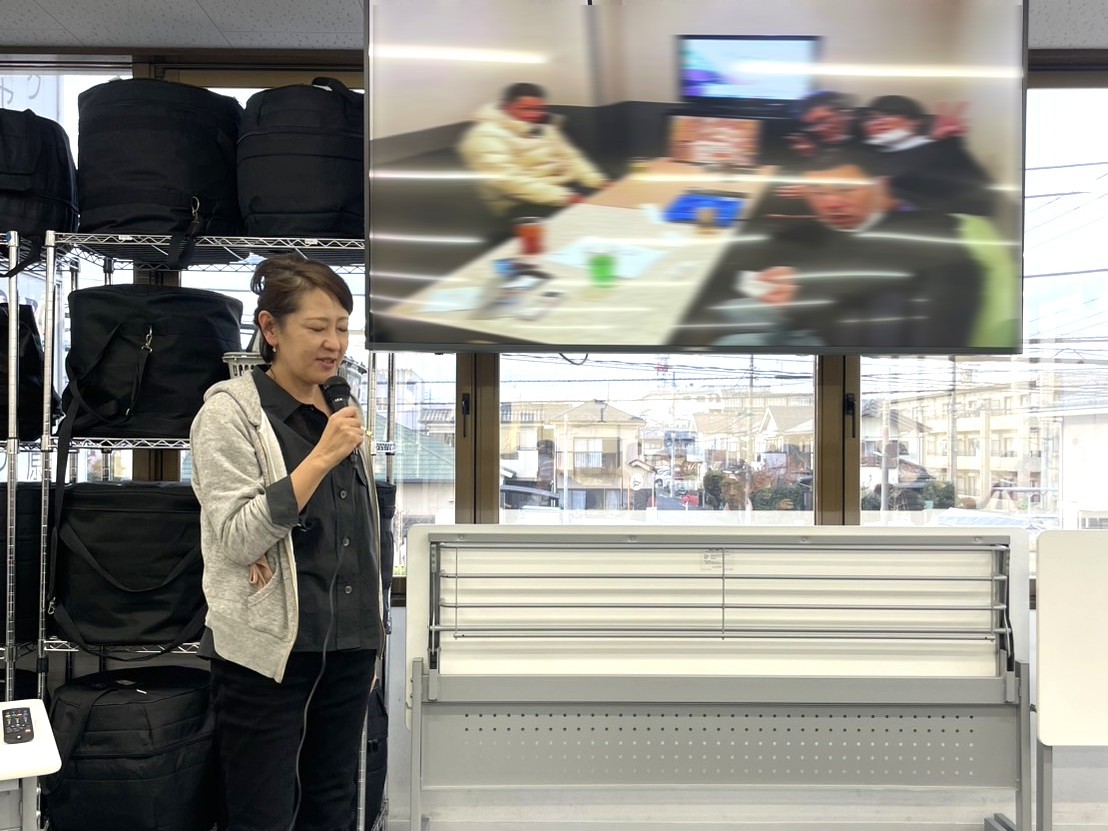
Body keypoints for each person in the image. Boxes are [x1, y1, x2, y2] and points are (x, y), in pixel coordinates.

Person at [189, 253, 381, 831]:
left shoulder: (342, 406)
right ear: (270, 329)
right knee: (261, 811)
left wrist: (370, 634)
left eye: (342, 328)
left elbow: (359, 528)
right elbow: (237, 536)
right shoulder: (230, 415)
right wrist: (321, 456)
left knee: (332, 802)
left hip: (347, 645)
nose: (334, 344)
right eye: (317, 328)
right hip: (267, 652)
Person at [697, 152, 988, 349]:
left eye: (846, 189)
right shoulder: (834, 225)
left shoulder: (928, 227)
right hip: (809, 319)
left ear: (880, 186)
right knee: (725, 305)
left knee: (730, 342)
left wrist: (806, 286)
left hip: (841, 343)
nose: (831, 203)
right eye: (818, 193)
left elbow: (889, 256)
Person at [458, 82, 609, 220]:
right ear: (506, 106)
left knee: (612, 204)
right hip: (520, 201)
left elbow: (571, 157)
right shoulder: (484, 135)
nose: (535, 115)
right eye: (526, 109)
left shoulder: (542, 127)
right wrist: (563, 197)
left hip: (563, 187)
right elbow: (507, 180)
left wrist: (598, 181)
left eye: (540, 109)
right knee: (591, 221)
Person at [861, 94, 995, 216]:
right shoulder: (871, 157)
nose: (878, 121)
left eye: (890, 114)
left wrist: (950, 145)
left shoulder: (942, 150)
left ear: (915, 122)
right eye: (873, 118)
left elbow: (982, 201)